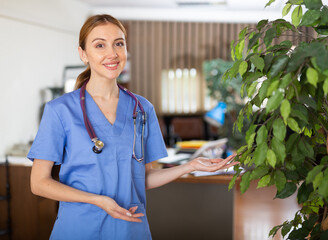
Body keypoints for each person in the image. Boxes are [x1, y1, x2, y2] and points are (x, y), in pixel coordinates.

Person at [27, 14, 238, 240]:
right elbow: (39, 183)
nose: (112, 53)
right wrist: (97, 200)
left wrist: (191, 165)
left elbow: (143, 178)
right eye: (100, 45)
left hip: (129, 227)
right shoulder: (60, 110)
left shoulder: (142, 108)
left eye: (119, 43)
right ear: (83, 54)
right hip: (79, 228)